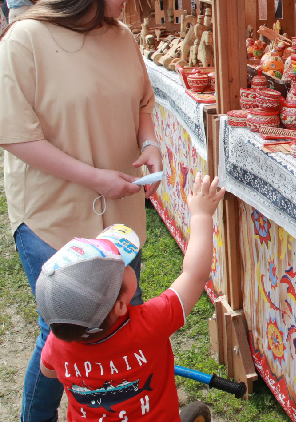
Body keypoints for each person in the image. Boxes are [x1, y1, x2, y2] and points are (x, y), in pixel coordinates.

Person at [0, 0, 162, 422]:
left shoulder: (122, 37)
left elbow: (144, 104)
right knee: (60, 338)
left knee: (120, 329)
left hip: (121, 216)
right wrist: (95, 178)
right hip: (53, 220)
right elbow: (18, 138)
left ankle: (119, 410)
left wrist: (148, 143)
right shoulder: (25, 40)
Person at [37, 173, 224, 421]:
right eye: (123, 266)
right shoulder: (150, 322)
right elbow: (195, 275)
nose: (127, 265)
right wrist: (201, 214)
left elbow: (48, 372)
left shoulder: (58, 344)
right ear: (121, 304)